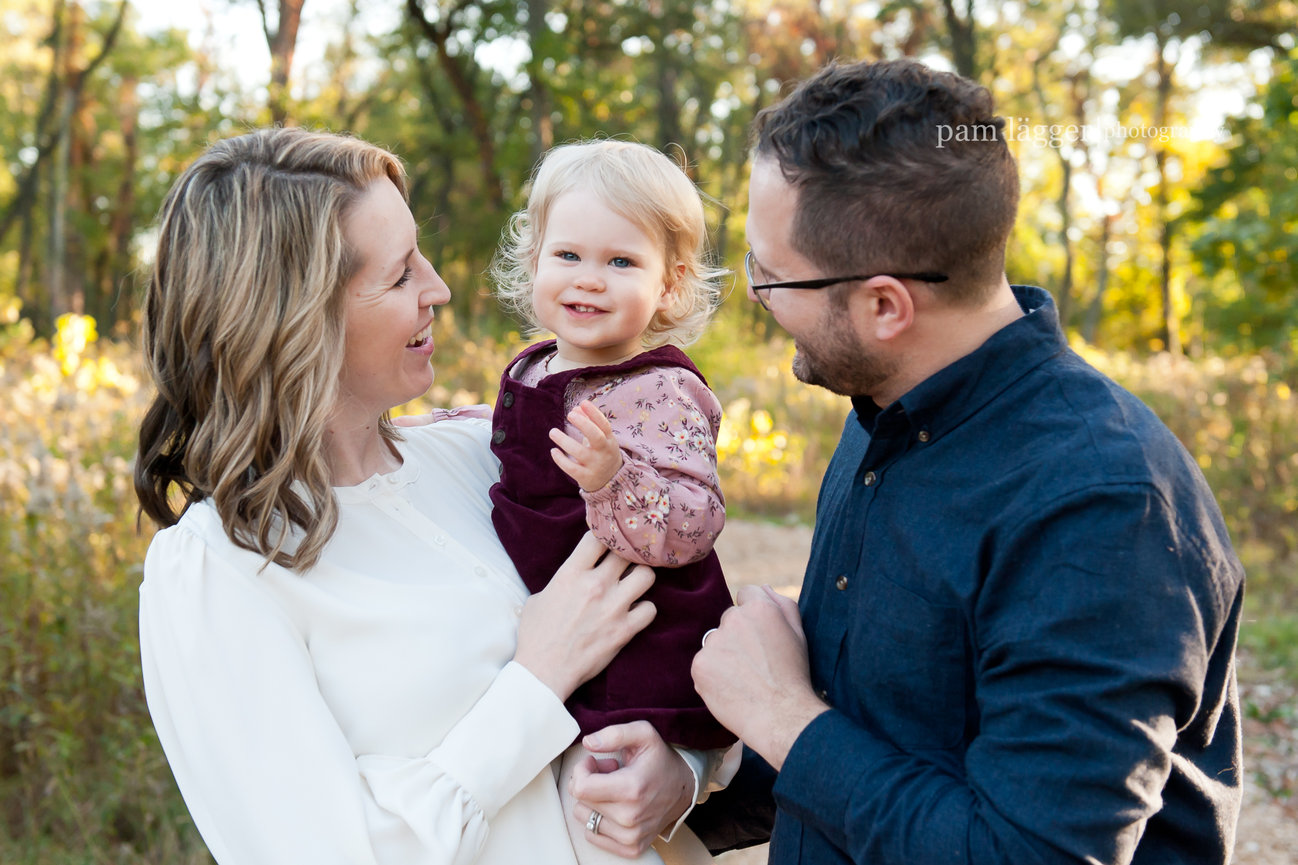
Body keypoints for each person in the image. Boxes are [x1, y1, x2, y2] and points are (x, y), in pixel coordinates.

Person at [686, 58, 1246, 864]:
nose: (757, 297)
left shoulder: (1104, 507)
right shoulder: (885, 411)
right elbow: (876, 728)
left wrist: (781, 716)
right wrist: (691, 795)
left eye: (769, 276)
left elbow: (1032, 851)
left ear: (885, 305)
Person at [134, 126, 709, 865]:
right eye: (402, 274)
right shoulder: (220, 570)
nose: (438, 287)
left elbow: (681, 626)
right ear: (299, 319)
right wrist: (536, 681)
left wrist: (681, 770)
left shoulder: (484, 456)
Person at [486, 139, 736, 865]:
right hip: (560, 632)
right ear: (534, 258)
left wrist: (612, 477)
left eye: (621, 262)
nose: (589, 280)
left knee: (613, 802)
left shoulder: (661, 389)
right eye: (568, 255)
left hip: (642, 639)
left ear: (670, 283)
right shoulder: (533, 367)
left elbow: (694, 521)